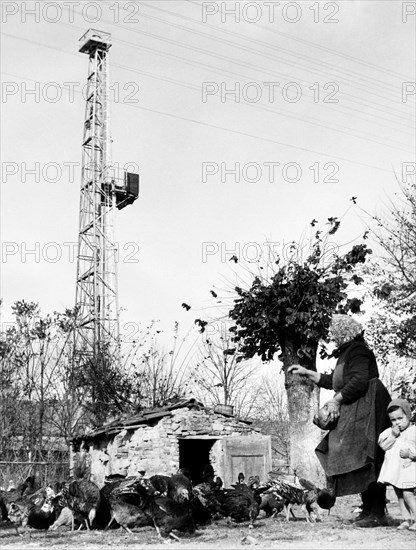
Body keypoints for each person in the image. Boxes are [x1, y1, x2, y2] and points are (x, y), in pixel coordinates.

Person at [288, 314, 391, 527]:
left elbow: (360, 382)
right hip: (357, 407)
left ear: (342, 332)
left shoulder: (359, 351)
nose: (332, 336)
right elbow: (333, 382)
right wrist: (307, 372)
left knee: (369, 458)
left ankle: (378, 512)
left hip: (370, 406)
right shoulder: (346, 353)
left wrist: (335, 401)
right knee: (355, 457)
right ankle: (368, 509)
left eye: (334, 333)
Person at [378, 399, 416, 531]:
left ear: (408, 415)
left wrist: (410, 454)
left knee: (408, 494)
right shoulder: (390, 432)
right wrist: (393, 435)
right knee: (400, 495)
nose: (397, 422)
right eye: (393, 420)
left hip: (408, 469)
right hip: (396, 471)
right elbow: (383, 446)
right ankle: (407, 519)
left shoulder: (413, 431)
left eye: (400, 418)